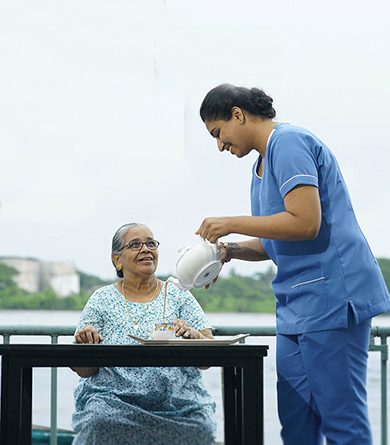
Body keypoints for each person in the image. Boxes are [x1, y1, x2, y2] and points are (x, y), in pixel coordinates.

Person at [196, 83, 390, 445]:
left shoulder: (288, 142)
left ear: (238, 114)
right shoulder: (260, 165)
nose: (219, 145)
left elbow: (304, 222)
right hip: (295, 307)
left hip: (331, 297)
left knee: (341, 419)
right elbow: (275, 239)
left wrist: (231, 221)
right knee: (297, 422)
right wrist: (229, 251)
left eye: (218, 133)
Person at [71, 223, 216, 445]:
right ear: (117, 259)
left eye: (151, 243)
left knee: (201, 428)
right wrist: (84, 343)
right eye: (135, 245)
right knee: (99, 421)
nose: (146, 249)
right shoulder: (101, 299)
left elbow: (208, 359)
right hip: (114, 402)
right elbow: (85, 370)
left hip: (178, 404)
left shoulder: (178, 294)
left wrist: (195, 337)